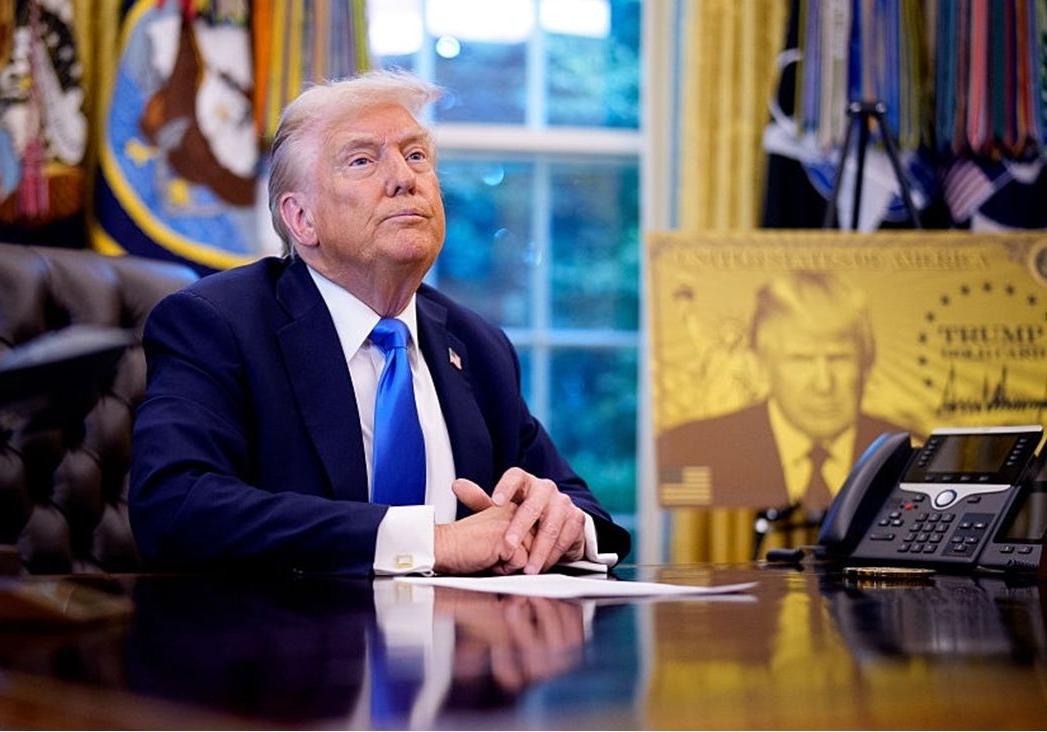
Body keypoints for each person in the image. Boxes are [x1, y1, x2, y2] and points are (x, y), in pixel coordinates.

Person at [129, 70, 630, 576]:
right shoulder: (218, 325)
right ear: (302, 219)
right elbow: (174, 505)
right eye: (362, 161)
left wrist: (562, 526)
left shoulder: (477, 345)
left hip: (463, 627)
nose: (404, 178)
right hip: (282, 625)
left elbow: (583, 509)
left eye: (416, 156)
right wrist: (432, 543)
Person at [656, 270, 907, 511]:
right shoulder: (691, 448)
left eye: (839, 358)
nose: (823, 384)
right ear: (763, 365)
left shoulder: (907, 454)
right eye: (801, 359)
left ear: (866, 364)